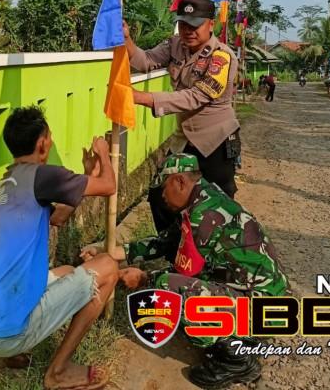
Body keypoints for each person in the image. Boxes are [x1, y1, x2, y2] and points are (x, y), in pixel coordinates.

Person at [82, 154, 288, 389]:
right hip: (261, 302)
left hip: (262, 309)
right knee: (175, 286)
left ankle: (237, 358)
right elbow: (165, 243)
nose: (162, 196)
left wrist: (143, 278)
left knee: (165, 287)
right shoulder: (205, 198)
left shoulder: (204, 215)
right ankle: (237, 337)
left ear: (179, 182)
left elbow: (185, 276)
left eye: (164, 188)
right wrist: (107, 252)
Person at [0, 106, 127, 390]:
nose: (50, 142)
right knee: (108, 267)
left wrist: (85, 174)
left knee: (66, 271)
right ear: (42, 144)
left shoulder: (8, 181)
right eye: (49, 137)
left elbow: (58, 218)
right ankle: (57, 373)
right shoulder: (41, 175)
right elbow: (109, 185)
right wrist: (102, 150)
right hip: (8, 331)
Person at [123, 0, 240, 235]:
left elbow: (196, 96)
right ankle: (172, 248)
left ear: (211, 24)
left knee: (219, 203)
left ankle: (221, 257)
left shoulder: (222, 57)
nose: (188, 31)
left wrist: (143, 98)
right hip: (185, 138)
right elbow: (146, 61)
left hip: (215, 140)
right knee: (161, 193)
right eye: (183, 24)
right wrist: (127, 41)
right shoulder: (174, 45)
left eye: (195, 25)